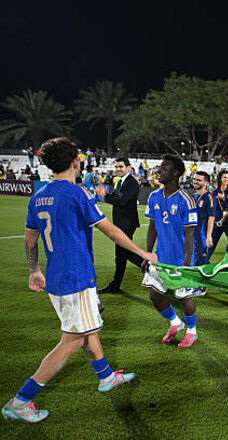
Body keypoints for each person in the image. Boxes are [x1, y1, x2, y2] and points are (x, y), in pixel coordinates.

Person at [1, 137, 156, 424]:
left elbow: (30, 239)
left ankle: (106, 376)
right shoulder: (76, 194)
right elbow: (109, 229)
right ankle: (21, 400)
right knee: (72, 339)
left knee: (87, 328)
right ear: (76, 162)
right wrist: (142, 252)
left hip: (57, 277)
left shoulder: (39, 196)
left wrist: (34, 270)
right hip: (76, 277)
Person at [141, 154, 200, 348]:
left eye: (164, 168)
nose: (159, 171)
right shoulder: (154, 196)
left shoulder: (186, 200)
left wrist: (186, 265)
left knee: (184, 298)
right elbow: (152, 227)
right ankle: (175, 322)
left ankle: (192, 332)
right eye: (159, 167)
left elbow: (190, 235)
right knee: (154, 295)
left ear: (176, 173)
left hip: (181, 260)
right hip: (161, 257)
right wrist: (147, 254)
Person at [94, 157, 143, 294]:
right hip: (122, 224)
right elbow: (118, 198)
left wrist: (105, 196)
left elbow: (121, 201)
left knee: (126, 254)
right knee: (122, 256)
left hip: (127, 224)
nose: (118, 169)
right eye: (116, 167)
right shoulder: (120, 181)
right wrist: (107, 195)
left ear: (128, 168)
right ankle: (115, 285)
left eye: (120, 167)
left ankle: (152, 270)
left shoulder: (132, 182)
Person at [191, 171, 215, 294]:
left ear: (206, 183)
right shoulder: (194, 196)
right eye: (195, 179)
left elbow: (211, 217)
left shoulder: (209, 197)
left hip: (202, 235)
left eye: (199, 180)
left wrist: (209, 236)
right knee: (195, 259)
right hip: (193, 235)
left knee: (200, 260)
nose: (195, 181)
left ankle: (201, 288)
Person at [210, 169, 228, 257]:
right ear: (220, 179)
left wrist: (224, 199)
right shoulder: (214, 193)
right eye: (224, 177)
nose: (227, 179)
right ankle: (204, 261)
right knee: (212, 243)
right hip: (217, 220)